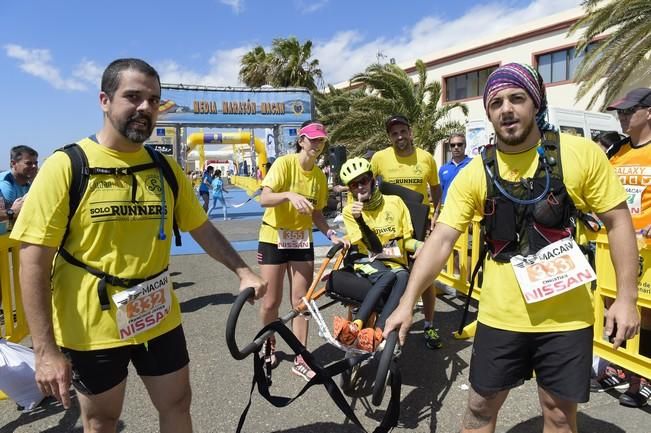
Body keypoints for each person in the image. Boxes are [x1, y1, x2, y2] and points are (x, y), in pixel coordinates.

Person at [10, 58, 267, 433]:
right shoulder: (67, 165)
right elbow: (32, 261)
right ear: (104, 100)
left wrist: (243, 271)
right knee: (101, 421)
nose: (145, 108)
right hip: (90, 325)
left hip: (157, 314)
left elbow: (202, 228)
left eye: (153, 100)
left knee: (178, 404)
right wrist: (45, 351)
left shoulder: (165, 169)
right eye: (133, 97)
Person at [384, 63, 641, 433]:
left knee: (557, 415)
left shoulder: (580, 154)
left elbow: (618, 223)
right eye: (496, 102)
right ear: (488, 113)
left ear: (535, 104)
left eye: (517, 98)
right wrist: (407, 302)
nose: (507, 109)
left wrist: (626, 298)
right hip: (500, 316)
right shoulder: (475, 171)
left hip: (567, 319)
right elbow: (441, 239)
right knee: (478, 411)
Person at [257, 121, 347, 381]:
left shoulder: (318, 176)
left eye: (321, 141)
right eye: (313, 139)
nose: (317, 145)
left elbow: (317, 212)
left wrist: (330, 233)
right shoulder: (284, 164)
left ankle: (301, 357)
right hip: (274, 237)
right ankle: (267, 345)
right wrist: (287, 195)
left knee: (302, 302)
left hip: (300, 240)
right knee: (271, 301)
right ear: (301, 140)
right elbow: (264, 198)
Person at [333, 157, 424, 352]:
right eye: (354, 185)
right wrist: (360, 220)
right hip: (369, 260)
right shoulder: (350, 211)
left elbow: (406, 241)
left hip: (395, 262)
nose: (360, 187)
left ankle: (378, 332)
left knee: (402, 274)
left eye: (363, 181)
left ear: (373, 180)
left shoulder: (396, 202)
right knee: (391, 275)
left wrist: (421, 245)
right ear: (349, 189)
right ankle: (356, 325)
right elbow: (372, 247)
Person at [371, 114, 442, 349]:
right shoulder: (380, 158)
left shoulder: (426, 158)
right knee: (387, 272)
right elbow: (366, 184)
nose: (399, 136)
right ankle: (378, 325)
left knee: (425, 277)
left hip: (419, 226)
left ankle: (429, 326)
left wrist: (436, 214)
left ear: (410, 132)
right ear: (389, 137)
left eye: (403, 131)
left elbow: (435, 187)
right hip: (389, 227)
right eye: (394, 133)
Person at [604, 87, 651, 408]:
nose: (622, 116)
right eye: (619, 111)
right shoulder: (617, 152)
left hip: (648, 252)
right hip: (615, 249)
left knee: (645, 315)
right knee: (613, 307)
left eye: (629, 110)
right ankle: (621, 367)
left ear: (648, 112)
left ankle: (642, 379)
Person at [0, 145, 38, 222]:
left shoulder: (29, 182)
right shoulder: (5, 184)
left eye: (35, 163)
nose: (34, 166)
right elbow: (11, 216)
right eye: (28, 163)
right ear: (13, 163)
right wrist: (12, 212)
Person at [439, 133, 471, 206]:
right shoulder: (443, 169)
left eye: (459, 144)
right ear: (450, 148)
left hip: (466, 209)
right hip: (446, 209)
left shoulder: (473, 164)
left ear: (465, 146)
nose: (456, 147)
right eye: (453, 145)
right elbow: (440, 192)